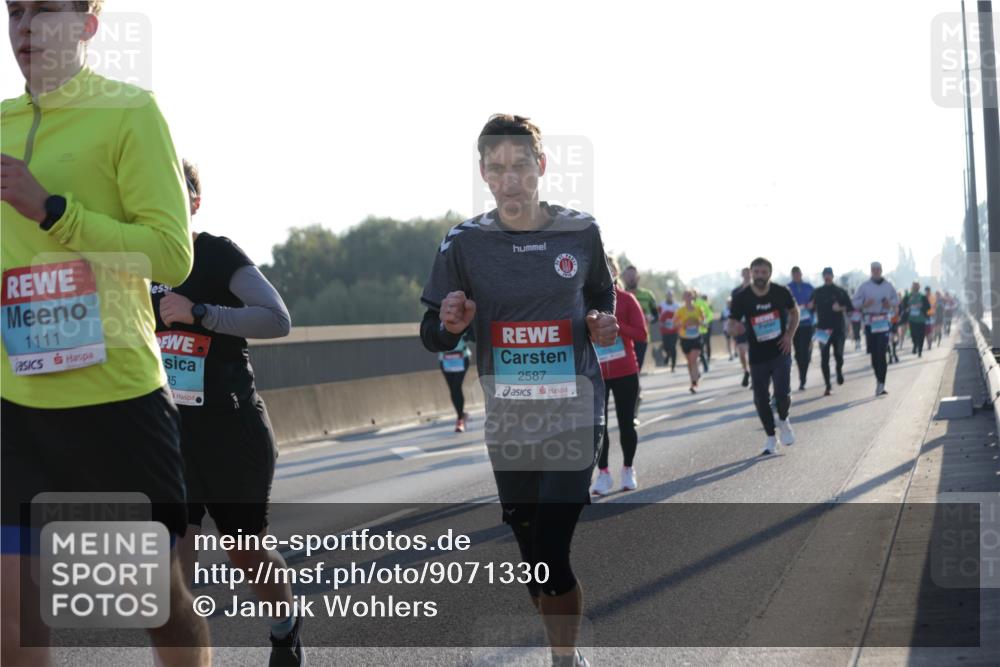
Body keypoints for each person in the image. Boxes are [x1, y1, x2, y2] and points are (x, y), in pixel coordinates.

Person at [1, 3, 211, 665]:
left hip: (113, 399)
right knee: (11, 620)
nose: (25, 28)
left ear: (89, 26)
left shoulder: (130, 112)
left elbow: (171, 255)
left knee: (155, 604)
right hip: (16, 406)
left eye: (44, 11)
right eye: (13, 11)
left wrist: (54, 211)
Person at [420, 114, 617, 667]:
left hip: (576, 413)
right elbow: (432, 331)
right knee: (533, 554)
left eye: (521, 165)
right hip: (509, 423)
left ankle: (564, 658)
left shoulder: (581, 232)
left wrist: (601, 319)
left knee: (552, 549)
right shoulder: (463, 243)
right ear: (484, 172)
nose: (510, 179)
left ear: (542, 166)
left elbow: (601, 293)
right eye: (498, 168)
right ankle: (562, 645)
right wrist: (451, 324)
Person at [151, 161, 303, 666]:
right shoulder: (132, 264)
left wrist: (200, 314)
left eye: (178, 190)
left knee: (245, 553)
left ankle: (284, 628)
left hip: (232, 427)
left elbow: (277, 319)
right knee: (176, 565)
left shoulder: (215, 253)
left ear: (195, 201)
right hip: (170, 435)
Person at [728, 258, 798, 455]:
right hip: (757, 355)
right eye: (756, 272)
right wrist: (735, 329)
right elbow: (731, 324)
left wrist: (789, 336)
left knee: (782, 394)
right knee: (760, 398)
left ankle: (783, 419)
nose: (759, 276)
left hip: (780, 350)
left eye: (763, 272)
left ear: (770, 273)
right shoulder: (743, 297)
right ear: (751, 273)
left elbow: (795, 312)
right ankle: (770, 437)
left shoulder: (780, 291)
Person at [591, 256, 645, 495]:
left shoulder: (627, 300)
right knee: (597, 427)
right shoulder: (587, 302)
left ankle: (628, 468)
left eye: (609, 268)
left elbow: (642, 334)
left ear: (615, 272)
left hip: (625, 371)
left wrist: (616, 325)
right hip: (597, 373)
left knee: (626, 424)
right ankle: (603, 474)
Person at [852, 262, 899, 396]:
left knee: (882, 351)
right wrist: (864, 303)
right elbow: (854, 302)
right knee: (874, 353)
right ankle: (878, 379)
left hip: (884, 321)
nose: (876, 271)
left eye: (878, 269)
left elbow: (896, 300)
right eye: (874, 269)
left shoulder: (888, 286)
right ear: (871, 271)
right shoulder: (864, 286)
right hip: (870, 322)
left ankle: (882, 383)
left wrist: (889, 303)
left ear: (881, 270)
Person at [812, 268, 851, 396]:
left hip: (838, 329)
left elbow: (850, 307)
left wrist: (840, 308)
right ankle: (828, 385)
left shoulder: (840, 291)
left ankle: (839, 369)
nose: (827, 277)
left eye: (829, 275)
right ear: (823, 277)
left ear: (833, 276)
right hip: (823, 329)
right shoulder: (817, 292)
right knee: (824, 358)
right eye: (825, 275)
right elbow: (810, 308)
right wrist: (810, 306)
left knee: (838, 355)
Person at [439, 330, 474, 432]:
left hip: (462, 357)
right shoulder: (436, 319)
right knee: (453, 390)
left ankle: (460, 419)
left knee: (456, 387)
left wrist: (467, 335)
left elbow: (474, 335)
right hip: (445, 359)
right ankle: (461, 414)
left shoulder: (461, 316)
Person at [787, 266, 815, 391]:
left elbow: (816, 300)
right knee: (799, 353)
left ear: (801, 274)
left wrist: (812, 304)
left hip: (808, 323)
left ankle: (804, 375)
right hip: (795, 324)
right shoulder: (788, 288)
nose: (797, 276)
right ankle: (802, 379)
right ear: (792, 275)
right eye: (794, 275)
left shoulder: (809, 287)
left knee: (806, 352)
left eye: (798, 274)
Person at [676, 290, 706, 393]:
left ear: (693, 297)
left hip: (696, 337)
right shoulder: (680, 310)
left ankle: (693, 383)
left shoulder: (698, 309)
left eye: (689, 296)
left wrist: (699, 322)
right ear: (683, 298)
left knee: (693, 359)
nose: (688, 298)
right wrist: (683, 324)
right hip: (685, 338)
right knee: (690, 362)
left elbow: (704, 322)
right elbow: (674, 324)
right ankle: (693, 379)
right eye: (686, 296)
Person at [732, 268, 752, 386]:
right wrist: (734, 323)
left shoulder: (757, 290)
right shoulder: (736, 292)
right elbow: (733, 310)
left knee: (753, 352)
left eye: (748, 274)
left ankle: (755, 376)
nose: (746, 276)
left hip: (754, 325)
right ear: (742, 275)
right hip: (741, 325)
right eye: (744, 274)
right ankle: (746, 371)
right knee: (741, 352)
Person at [901, 282, 930, 357]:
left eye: (917, 286)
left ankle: (920, 350)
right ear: (912, 287)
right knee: (913, 334)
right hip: (912, 319)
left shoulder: (922, 296)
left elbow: (928, 306)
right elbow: (903, 305)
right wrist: (907, 308)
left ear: (919, 287)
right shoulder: (908, 296)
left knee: (921, 335)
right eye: (914, 286)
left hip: (921, 319)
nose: (915, 287)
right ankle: (915, 345)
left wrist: (921, 306)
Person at [658, 290, 680, 372]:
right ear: (666, 296)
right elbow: (658, 316)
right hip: (665, 330)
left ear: (673, 296)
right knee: (666, 347)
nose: (669, 297)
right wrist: (661, 322)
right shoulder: (661, 305)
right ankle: (667, 355)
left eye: (671, 295)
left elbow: (680, 316)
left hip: (674, 330)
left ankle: (673, 366)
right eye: (668, 295)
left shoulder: (677, 305)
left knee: (673, 347)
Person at [694, 291, 714, 373]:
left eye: (692, 294)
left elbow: (710, 314)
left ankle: (706, 363)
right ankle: (696, 368)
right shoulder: (685, 305)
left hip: (702, 329)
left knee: (701, 347)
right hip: (690, 331)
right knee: (694, 350)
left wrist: (705, 321)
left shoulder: (702, 302)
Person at [924, 286, 936, 350]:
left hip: (931, 316)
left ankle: (930, 344)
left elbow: (934, 306)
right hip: (925, 317)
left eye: (928, 291)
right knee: (926, 332)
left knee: (930, 331)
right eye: (926, 291)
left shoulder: (933, 297)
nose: (927, 292)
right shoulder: (923, 297)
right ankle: (928, 343)